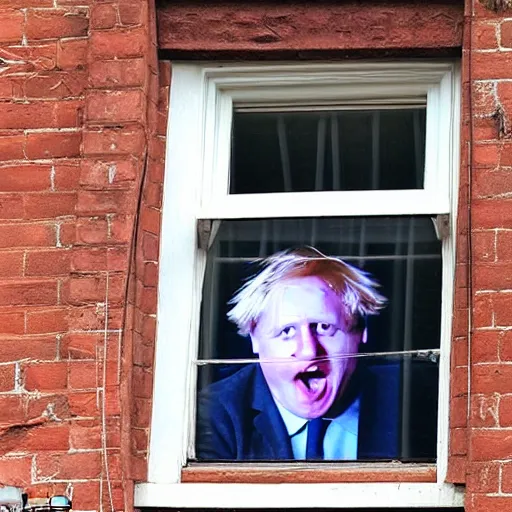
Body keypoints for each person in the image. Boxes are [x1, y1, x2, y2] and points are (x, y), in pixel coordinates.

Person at [196, 247, 397, 461]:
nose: (309, 351)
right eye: (287, 331)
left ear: (359, 332)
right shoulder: (216, 414)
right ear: (254, 338)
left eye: (323, 327)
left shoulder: (410, 402)